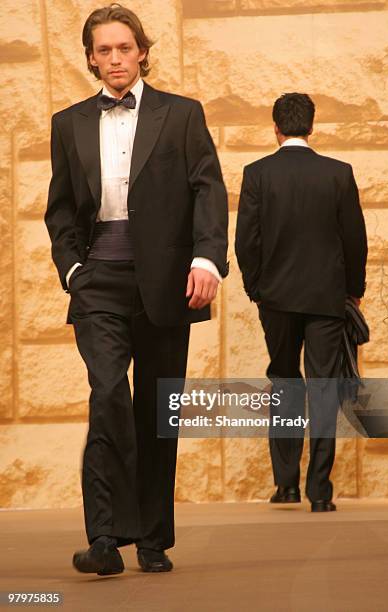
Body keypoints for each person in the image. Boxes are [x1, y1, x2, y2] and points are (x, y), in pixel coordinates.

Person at [45, 3, 228, 574]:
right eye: (104, 50)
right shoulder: (68, 122)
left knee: (156, 410)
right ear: (91, 58)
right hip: (98, 279)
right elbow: (62, 211)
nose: (115, 58)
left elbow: (208, 190)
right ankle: (105, 537)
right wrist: (74, 270)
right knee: (107, 397)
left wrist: (206, 259)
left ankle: (151, 538)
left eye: (124, 47)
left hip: (168, 282)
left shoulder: (182, 115)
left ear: (142, 51)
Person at [235, 93, 367, 512]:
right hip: (326, 297)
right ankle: (320, 492)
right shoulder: (338, 174)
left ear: (275, 127)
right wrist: (353, 289)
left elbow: (246, 242)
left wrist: (256, 288)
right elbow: (354, 239)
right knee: (324, 388)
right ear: (312, 126)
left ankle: (286, 484)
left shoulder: (256, 174)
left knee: (285, 383)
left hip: (275, 298)